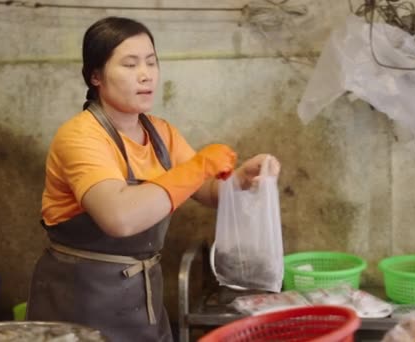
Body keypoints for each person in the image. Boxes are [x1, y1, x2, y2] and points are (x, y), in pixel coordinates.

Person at [26, 16, 281, 341]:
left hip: (139, 294)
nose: (146, 74)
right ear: (96, 76)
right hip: (78, 299)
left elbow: (208, 191)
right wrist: (197, 166)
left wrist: (244, 180)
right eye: (130, 65)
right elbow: (119, 218)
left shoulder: (160, 133)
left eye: (151, 62)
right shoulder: (80, 136)